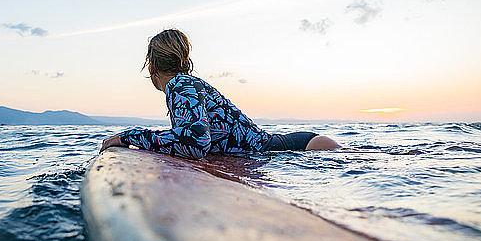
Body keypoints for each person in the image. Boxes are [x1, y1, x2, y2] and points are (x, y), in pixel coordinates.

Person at [100, 29, 340, 159]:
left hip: (303, 148)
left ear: (151, 67)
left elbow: (194, 144)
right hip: (295, 146)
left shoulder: (180, 85)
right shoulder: (188, 84)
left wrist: (128, 137)